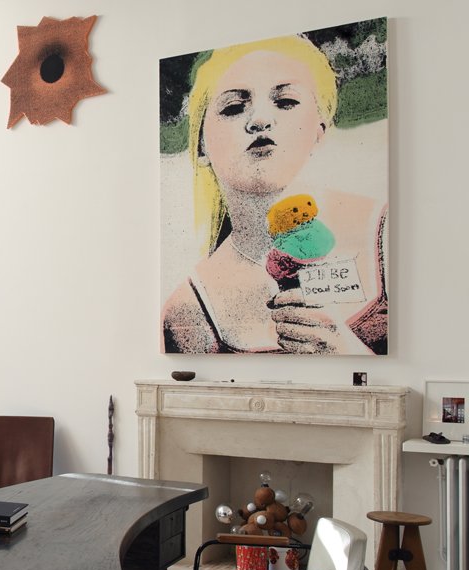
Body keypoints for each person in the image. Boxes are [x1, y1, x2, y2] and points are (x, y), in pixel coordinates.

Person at [162, 34, 387, 354]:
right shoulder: (187, 309)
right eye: (234, 107)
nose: (260, 120)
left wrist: (343, 350)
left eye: (286, 102)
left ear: (319, 130)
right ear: (201, 146)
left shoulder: (384, 231)